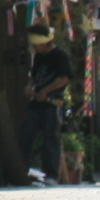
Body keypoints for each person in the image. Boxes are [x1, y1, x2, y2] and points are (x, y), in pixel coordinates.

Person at [24, 27, 72, 184]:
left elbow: (64, 78)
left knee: (51, 138)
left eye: (36, 44)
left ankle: (51, 175)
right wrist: (31, 87)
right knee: (26, 135)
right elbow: (35, 76)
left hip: (53, 102)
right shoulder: (38, 56)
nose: (34, 47)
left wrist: (46, 90)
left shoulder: (60, 56)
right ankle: (22, 170)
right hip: (37, 102)